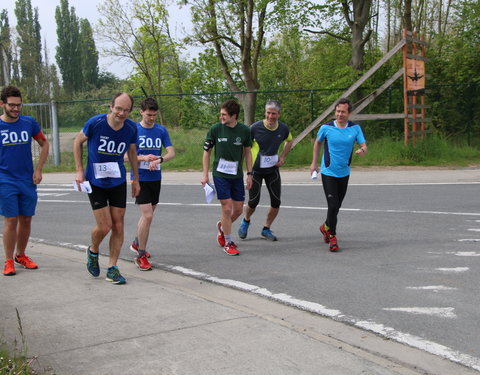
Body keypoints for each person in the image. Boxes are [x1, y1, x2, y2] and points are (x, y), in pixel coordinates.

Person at [73, 92, 140, 284]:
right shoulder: (95, 123)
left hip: (117, 181)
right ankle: (93, 251)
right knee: (105, 226)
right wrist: (79, 171)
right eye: (118, 108)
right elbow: (77, 142)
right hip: (96, 181)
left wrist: (136, 179)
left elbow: (133, 152)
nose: (121, 113)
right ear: (111, 107)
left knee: (118, 225)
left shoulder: (131, 128)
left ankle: (112, 268)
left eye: (126, 110)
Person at [0, 85, 49, 276]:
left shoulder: (29, 122)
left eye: (19, 105)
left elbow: (44, 143)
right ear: (2, 104)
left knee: (26, 218)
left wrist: (38, 169)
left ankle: (21, 255)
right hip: (5, 180)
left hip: (27, 179)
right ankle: (9, 260)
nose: (16, 109)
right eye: (12, 105)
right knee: (11, 219)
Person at [309, 98, 367, 252]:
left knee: (337, 206)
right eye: (338, 111)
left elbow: (364, 145)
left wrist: (362, 150)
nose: (340, 114)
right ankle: (332, 237)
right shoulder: (326, 128)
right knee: (333, 205)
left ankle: (325, 227)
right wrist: (314, 163)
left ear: (349, 113)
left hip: (344, 172)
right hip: (328, 172)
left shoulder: (355, 129)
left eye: (343, 112)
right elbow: (318, 142)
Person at [127, 97, 175, 271]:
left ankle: (136, 242)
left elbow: (171, 153)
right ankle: (141, 255)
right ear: (141, 112)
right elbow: (125, 156)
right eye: (149, 115)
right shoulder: (133, 130)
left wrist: (160, 159)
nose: (152, 118)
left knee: (147, 216)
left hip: (155, 178)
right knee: (147, 216)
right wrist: (142, 158)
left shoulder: (161, 130)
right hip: (139, 178)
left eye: (154, 115)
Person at [201, 99, 253, 256]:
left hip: (236, 175)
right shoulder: (216, 129)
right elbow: (207, 152)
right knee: (227, 207)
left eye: (224, 114)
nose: (221, 117)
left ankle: (222, 227)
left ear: (234, 116)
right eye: (221, 114)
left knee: (238, 209)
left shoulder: (244, 131)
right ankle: (229, 241)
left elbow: (248, 153)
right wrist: (205, 175)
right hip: (220, 174)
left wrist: (250, 174)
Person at [238, 100, 293, 241]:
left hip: (272, 170)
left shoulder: (283, 128)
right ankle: (246, 220)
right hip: (256, 170)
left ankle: (266, 228)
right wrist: (244, 169)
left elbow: (289, 141)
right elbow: (246, 148)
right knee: (253, 201)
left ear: (278, 114)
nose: (270, 116)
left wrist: (283, 157)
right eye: (268, 113)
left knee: (276, 202)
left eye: (273, 114)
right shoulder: (255, 128)